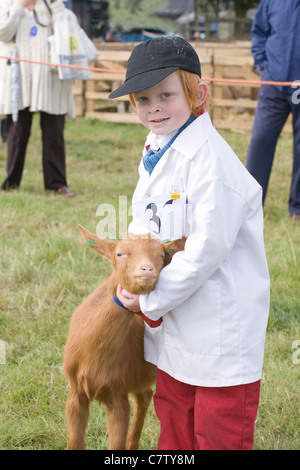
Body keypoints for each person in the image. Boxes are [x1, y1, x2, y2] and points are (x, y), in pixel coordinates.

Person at [108, 36, 270, 450]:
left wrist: (148, 302)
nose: (154, 107)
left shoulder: (212, 164)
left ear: (198, 94)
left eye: (166, 94)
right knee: (175, 422)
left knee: (218, 431)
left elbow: (204, 253)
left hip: (218, 326)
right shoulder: (158, 147)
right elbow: (145, 225)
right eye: (143, 99)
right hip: (176, 326)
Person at [0, 0, 75, 196]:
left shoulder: (54, 4)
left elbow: (68, 33)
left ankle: (57, 183)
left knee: (54, 133)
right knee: (17, 132)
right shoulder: (7, 3)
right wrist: (19, 7)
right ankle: (11, 182)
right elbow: (3, 34)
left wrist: (56, 6)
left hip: (49, 77)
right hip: (20, 78)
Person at [246, 0, 300, 222]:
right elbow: (259, 31)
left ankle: (297, 207)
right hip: (274, 84)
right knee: (260, 141)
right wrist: (263, 65)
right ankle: (250, 205)